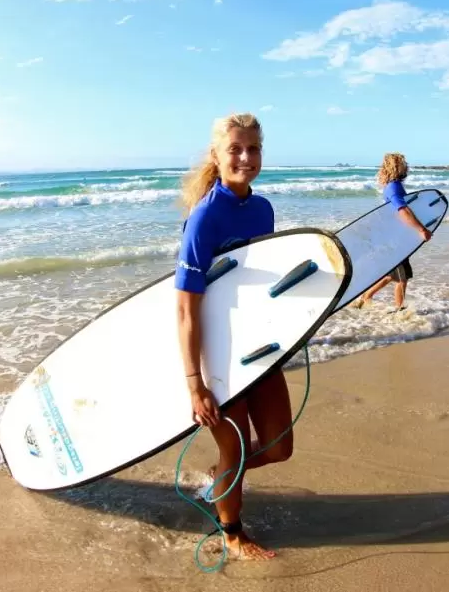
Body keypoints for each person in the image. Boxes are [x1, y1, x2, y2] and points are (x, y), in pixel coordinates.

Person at [175, 112, 287, 561]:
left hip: (257, 347)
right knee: (236, 446)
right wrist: (194, 383)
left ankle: (221, 474)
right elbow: (186, 307)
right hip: (217, 354)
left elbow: (262, 285)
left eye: (254, 148)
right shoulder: (204, 219)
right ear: (217, 156)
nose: (246, 157)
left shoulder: (263, 209)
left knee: (279, 446)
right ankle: (233, 534)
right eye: (236, 149)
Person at [355, 152, 432, 311]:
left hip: (395, 238)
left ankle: (367, 296)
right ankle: (400, 311)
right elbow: (402, 210)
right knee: (402, 278)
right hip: (395, 242)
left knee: (393, 275)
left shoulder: (392, 185)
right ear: (397, 166)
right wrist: (421, 229)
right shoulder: (394, 187)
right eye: (403, 163)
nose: (407, 166)